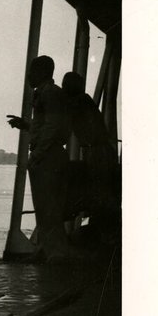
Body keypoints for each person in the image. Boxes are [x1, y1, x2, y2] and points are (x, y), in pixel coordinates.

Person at [7, 55, 74, 262]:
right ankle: (47, 250)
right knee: (45, 208)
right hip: (49, 155)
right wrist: (26, 125)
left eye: (31, 71)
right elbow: (45, 126)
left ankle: (56, 254)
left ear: (42, 73)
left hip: (48, 157)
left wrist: (36, 155)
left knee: (49, 208)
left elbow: (52, 129)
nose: (28, 76)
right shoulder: (47, 93)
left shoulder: (50, 94)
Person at [61, 70, 119, 241]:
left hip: (97, 152)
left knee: (99, 192)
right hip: (98, 151)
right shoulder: (84, 101)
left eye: (65, 85)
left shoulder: (78, 102)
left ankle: (104, 235)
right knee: (100, 192)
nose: (63, 88)